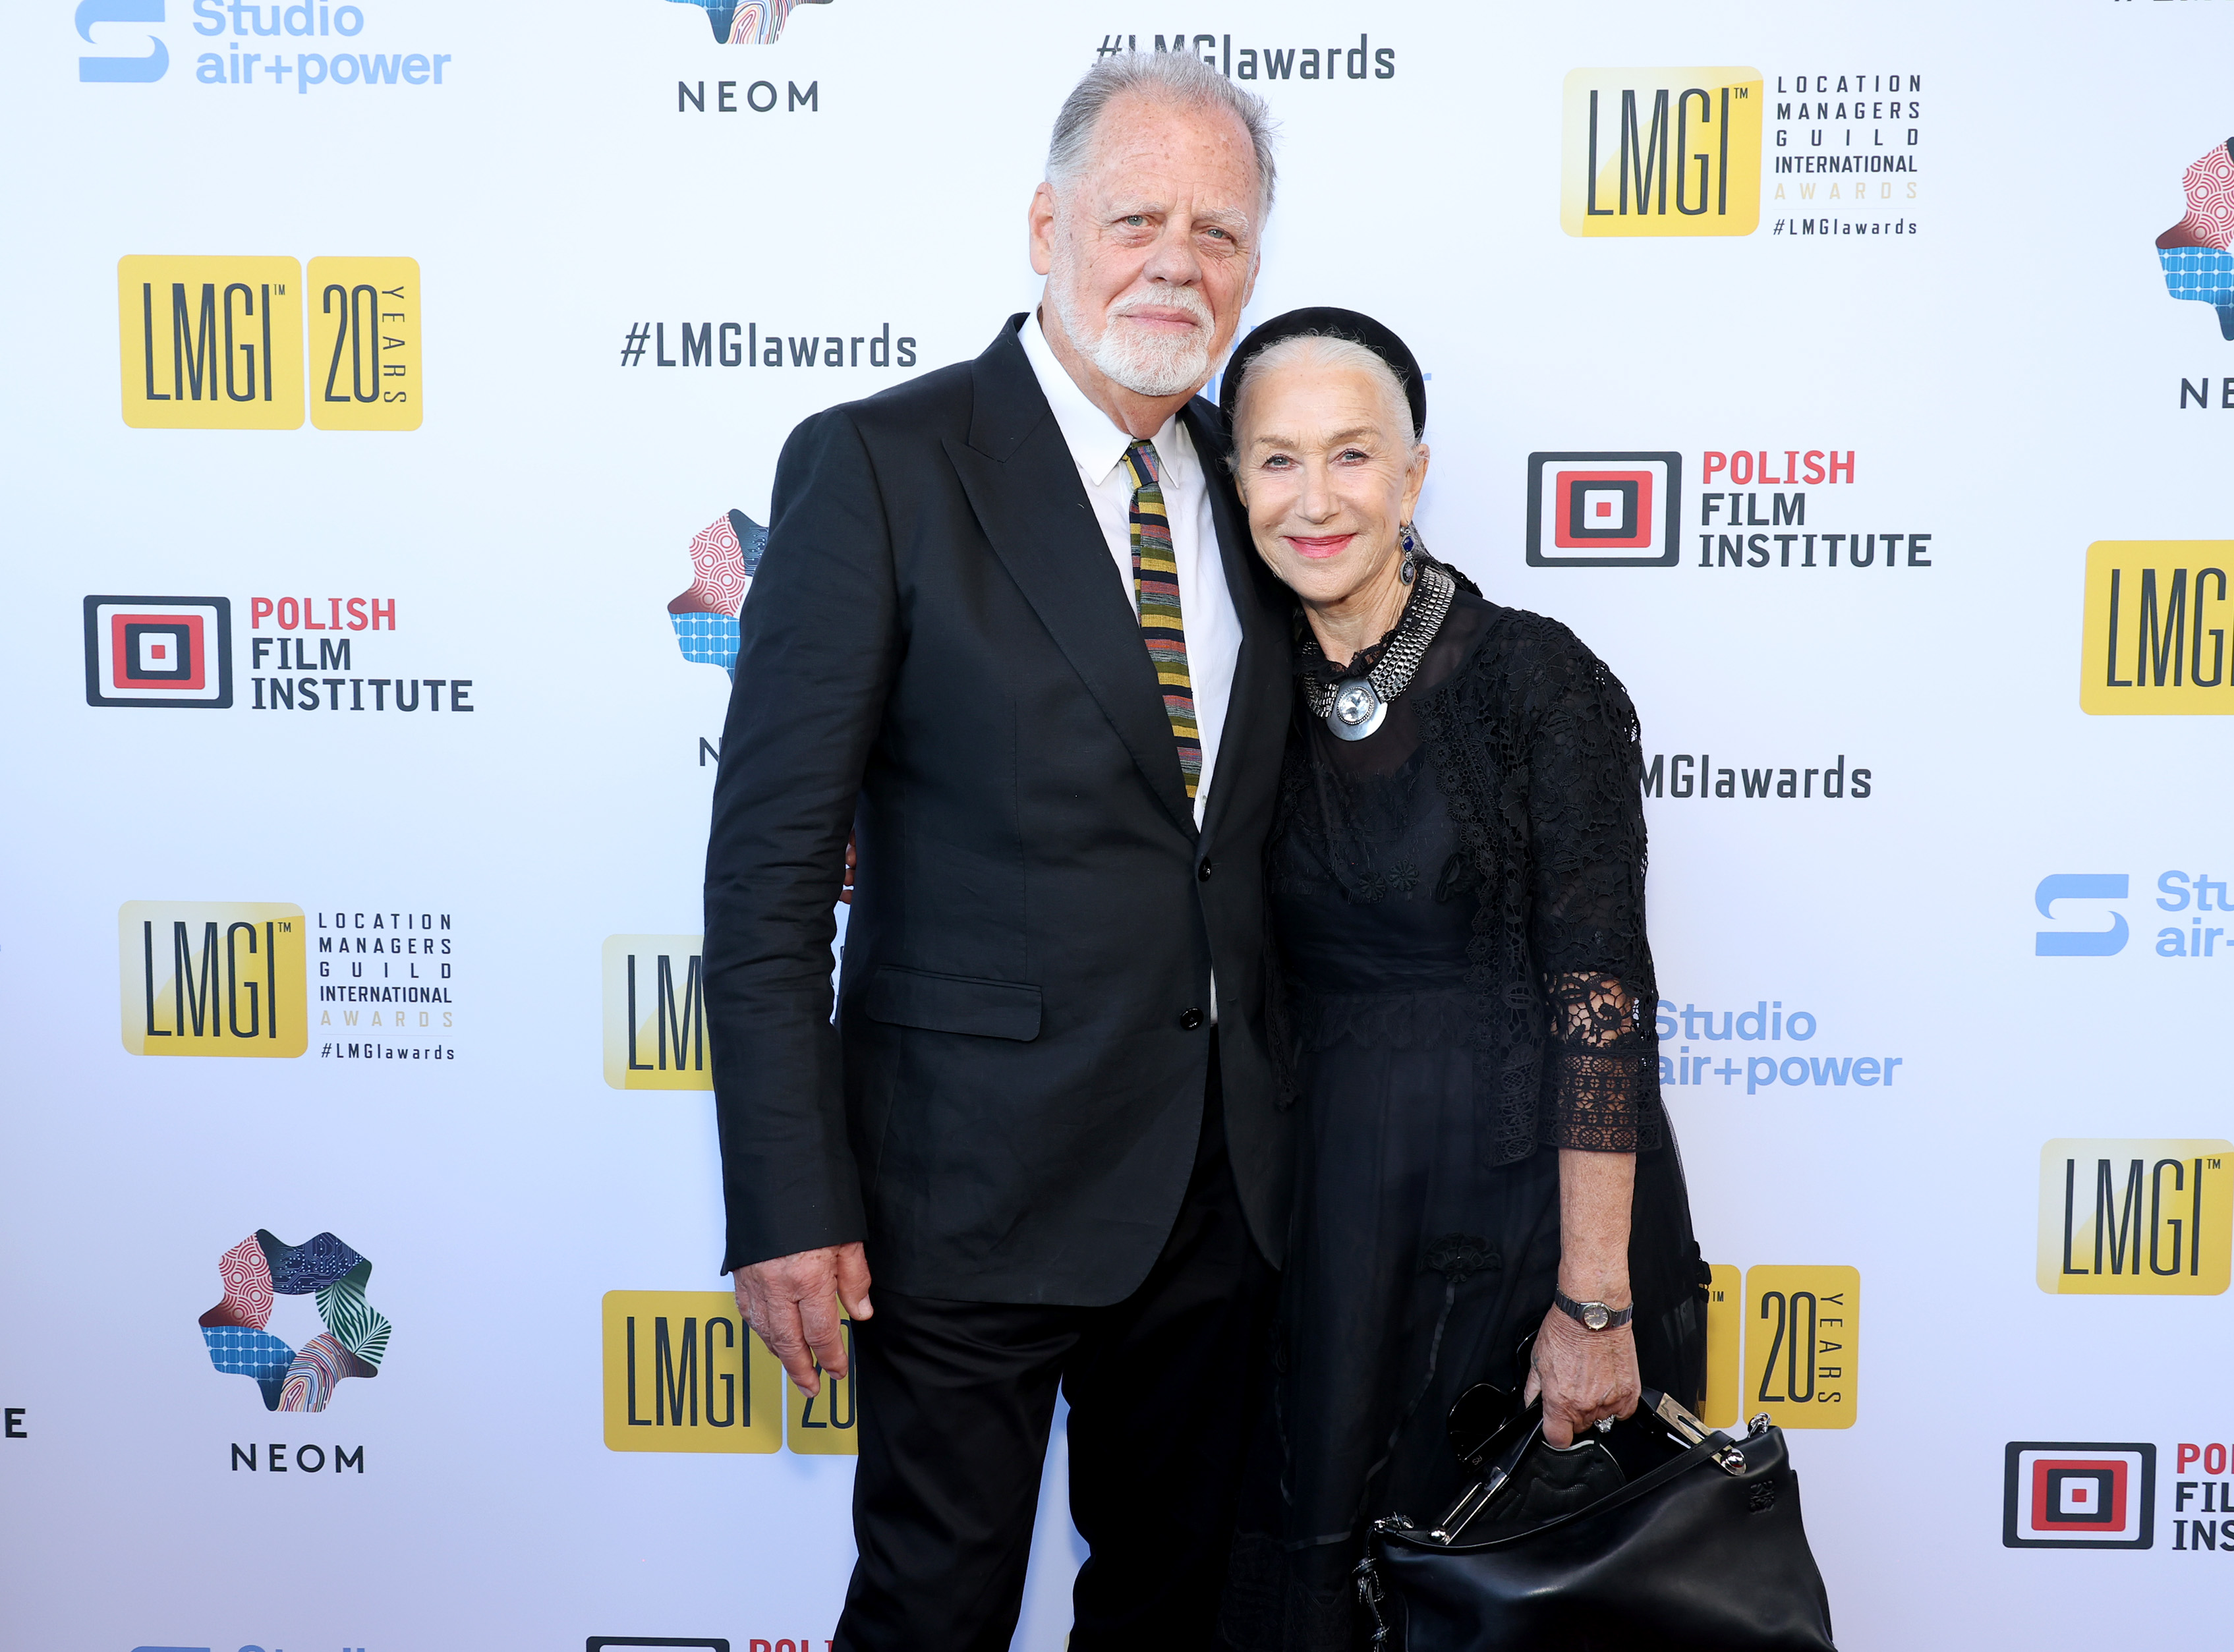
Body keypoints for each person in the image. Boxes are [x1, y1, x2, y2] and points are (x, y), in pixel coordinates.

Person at [701, 55, 1293, 1652]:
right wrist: (781, 1198)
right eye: (1136, 218)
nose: (1178, 260)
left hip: (1219, 1195)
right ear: (1046, 226)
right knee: (931, 1613)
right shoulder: (880, 465)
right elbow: (764, 874)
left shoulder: (1259, 484)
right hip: (951, 1197)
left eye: (1220, 232)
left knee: (1174, 1614)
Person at [1210, 310, 1709, 1650]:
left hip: (1526, 1241)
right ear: (1231, 480)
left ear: (1413, 476)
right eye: (1273, 461)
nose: (1314, 500)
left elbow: (1600, 1001)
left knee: (1527, 1609)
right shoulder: (1225, 695)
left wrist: (1592, 1301)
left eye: (1352, 457)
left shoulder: (1533, 683)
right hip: (1318, 1244)